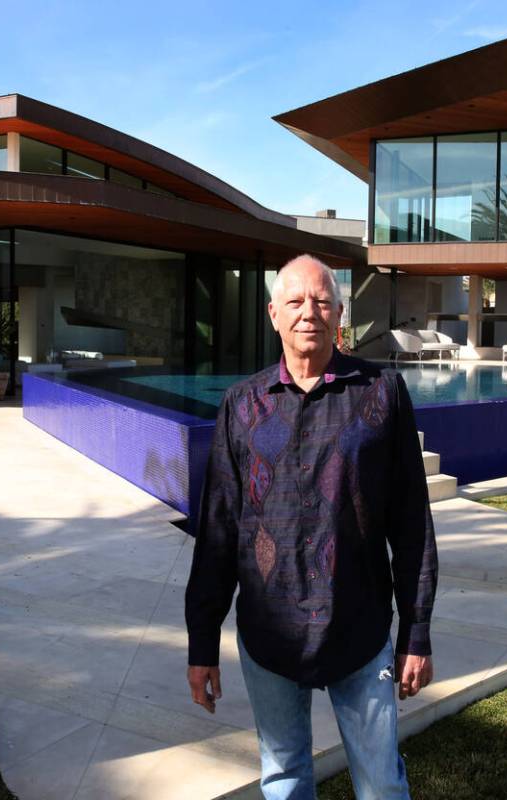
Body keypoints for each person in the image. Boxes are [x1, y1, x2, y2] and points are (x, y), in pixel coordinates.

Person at [185, 254, 438, 799]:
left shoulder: (382, 395)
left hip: (360, 627)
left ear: (339, 313)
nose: (309, 313)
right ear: (273, 314)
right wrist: (202, 643)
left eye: (321, 300)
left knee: (382, 782)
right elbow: (219, 530)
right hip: (268, 633)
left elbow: (412, 522)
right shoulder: (241, 406)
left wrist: (415, 633)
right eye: (295, 302)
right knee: (283, 776)